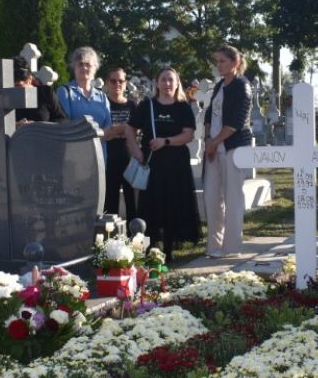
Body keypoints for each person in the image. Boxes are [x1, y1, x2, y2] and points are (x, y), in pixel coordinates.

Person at [126, 68, 201, 260]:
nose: (167, 84)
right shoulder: (147, 105)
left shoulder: (183, 107)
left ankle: (169, 248)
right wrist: (136, 152)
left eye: (171, 80)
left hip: (176, 165)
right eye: (163, 80)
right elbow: (130, 129)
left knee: (173, 204)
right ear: (157, 83)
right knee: (149, 205)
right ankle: (148, 248)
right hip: (152, 164)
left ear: (177, 83)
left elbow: (188, 135)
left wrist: (165, 141)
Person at [202, 44, 253, 258]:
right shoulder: (219, 86)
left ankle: (231, 248)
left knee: (233, 198)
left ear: (235, 62)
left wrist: (214, 142)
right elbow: (209, 115)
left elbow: (236, 122)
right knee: (211, 197)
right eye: (217, 61)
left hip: (233, 147)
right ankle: (214, 245)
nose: (218, 65)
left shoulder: (242, 86)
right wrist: (208, 140)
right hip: (213, 148)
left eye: (222, 61)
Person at [102, 67, 137, 217]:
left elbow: (136, 130)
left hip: (129, 159)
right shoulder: (103, 104)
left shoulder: (132, 106)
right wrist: (124, 129)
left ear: (125, 83)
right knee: (110, 203)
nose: (117, 84)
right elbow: (103, 133)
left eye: (121, 81)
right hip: (108, 159)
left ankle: (133, 231)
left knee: (132, 203)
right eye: (113, 81)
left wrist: (114, 131)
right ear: (107, 83)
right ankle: (111, 232)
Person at [56, 46, 112, 133]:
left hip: (101, 141)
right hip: (74, 141)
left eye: (88, 65)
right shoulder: (65, 92)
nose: (84, 68)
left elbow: (108, 125)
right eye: (80, 64)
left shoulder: (102, 97)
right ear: (74, 67)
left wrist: (98, 138)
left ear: (95, 69)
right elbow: (65, 124)